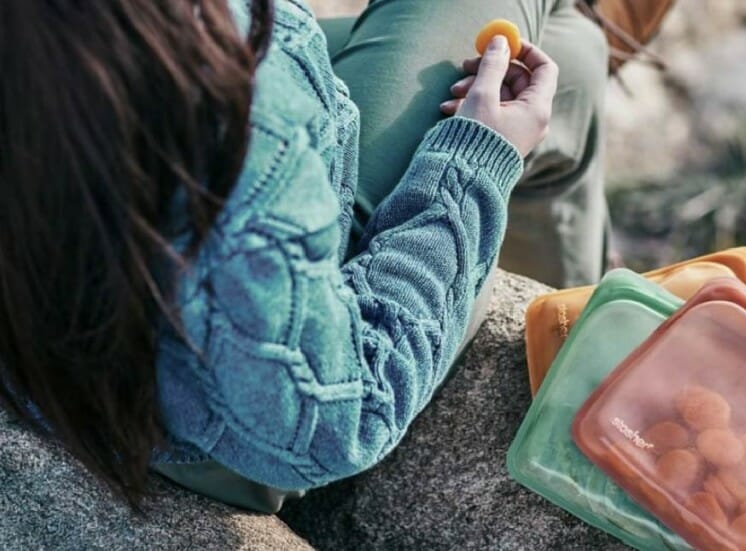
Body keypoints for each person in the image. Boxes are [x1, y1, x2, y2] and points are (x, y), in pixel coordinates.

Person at [0, 0, 609, 514]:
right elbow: (333, 417)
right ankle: (583, 374)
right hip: (210, 419)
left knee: (575, 56)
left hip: (100, 292)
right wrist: (476, 160)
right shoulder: (235, 133)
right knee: (555, 61)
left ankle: (567, 338)